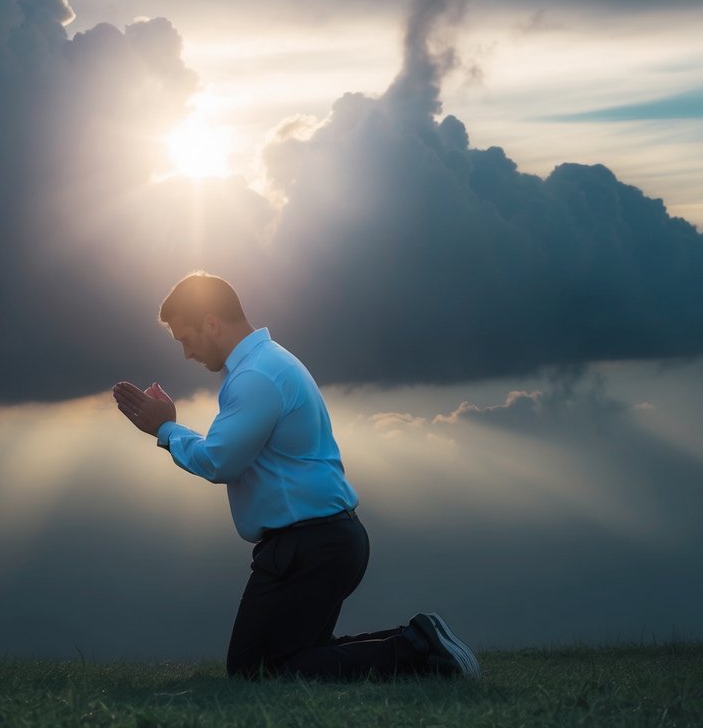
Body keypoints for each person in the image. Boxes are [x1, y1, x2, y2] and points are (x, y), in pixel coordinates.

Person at [112, 271, 480, 681]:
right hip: (327, 539)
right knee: (298, 655)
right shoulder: (269, 363)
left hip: (307, 544)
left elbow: (220, 461)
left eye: (186, 338)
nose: (186, 353)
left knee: (257, 670)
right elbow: (230, 451)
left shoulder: (255, 376)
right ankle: (422, 642)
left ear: (212, 323)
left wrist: (166, 429)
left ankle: (418, 646)